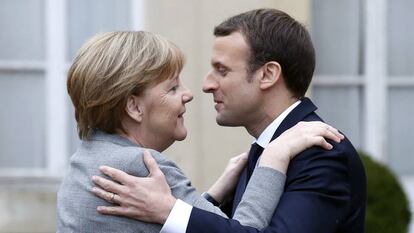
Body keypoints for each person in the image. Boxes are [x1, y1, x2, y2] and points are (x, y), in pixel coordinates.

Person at [91, 8, 367, 233]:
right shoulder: (264, 151)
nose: (206, 85)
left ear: (268, 75)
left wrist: (168, 209)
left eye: (222, 71)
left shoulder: (322, 154)